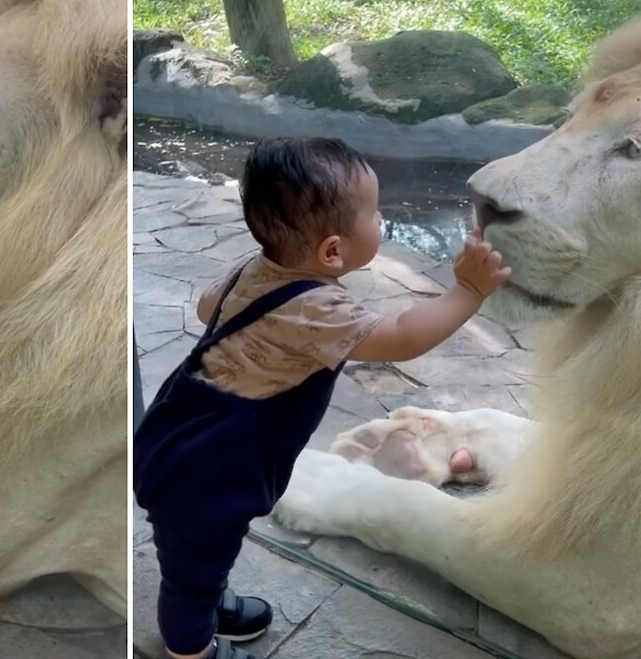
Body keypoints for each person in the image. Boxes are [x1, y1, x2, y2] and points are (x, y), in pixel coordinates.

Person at [133, 137, 511, 659]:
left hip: (180, 427)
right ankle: (190, 647)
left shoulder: (254, 268)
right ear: (332, 251)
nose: (381, 221)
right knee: (192, 565)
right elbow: (402, 336)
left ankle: (208, 595)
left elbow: (205, 310)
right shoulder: (318, 311)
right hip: (210, 466)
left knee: (200, 549)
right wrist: (467, 292)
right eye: (376, 215)